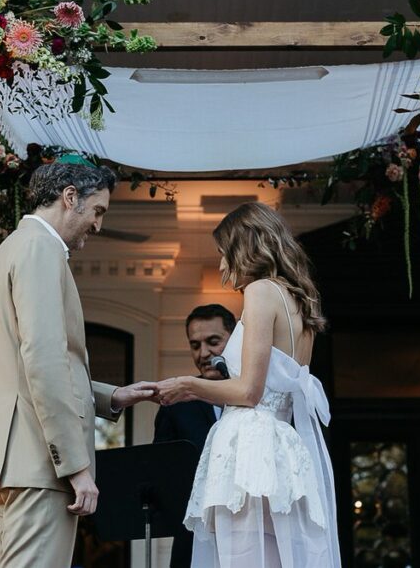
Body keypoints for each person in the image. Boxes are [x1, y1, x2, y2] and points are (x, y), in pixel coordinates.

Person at [0, 160, 158, 568]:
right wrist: (75, 466)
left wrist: (109, 397)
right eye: (98, 211)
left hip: (19, 462)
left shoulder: (14, 247)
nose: (97, 225)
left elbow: (32, 362)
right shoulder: (40, 249)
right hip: (40, 465)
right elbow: (43, 359)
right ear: (70, 197)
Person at [157, 202, 340, 568]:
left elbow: (248, 392)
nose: (222, 267)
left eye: (223, 254)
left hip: (250, 448)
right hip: (282, 447)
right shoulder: (301, 305)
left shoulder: (260, 291)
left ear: (245, 246)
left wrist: (187, 385)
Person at [153, 304, 236, 568]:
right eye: (195, 345)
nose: (204, 354)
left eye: (213, 342)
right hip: (193, 539)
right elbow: (161, 474)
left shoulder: (260, 395)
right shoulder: (175, 406)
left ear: (234, 339)